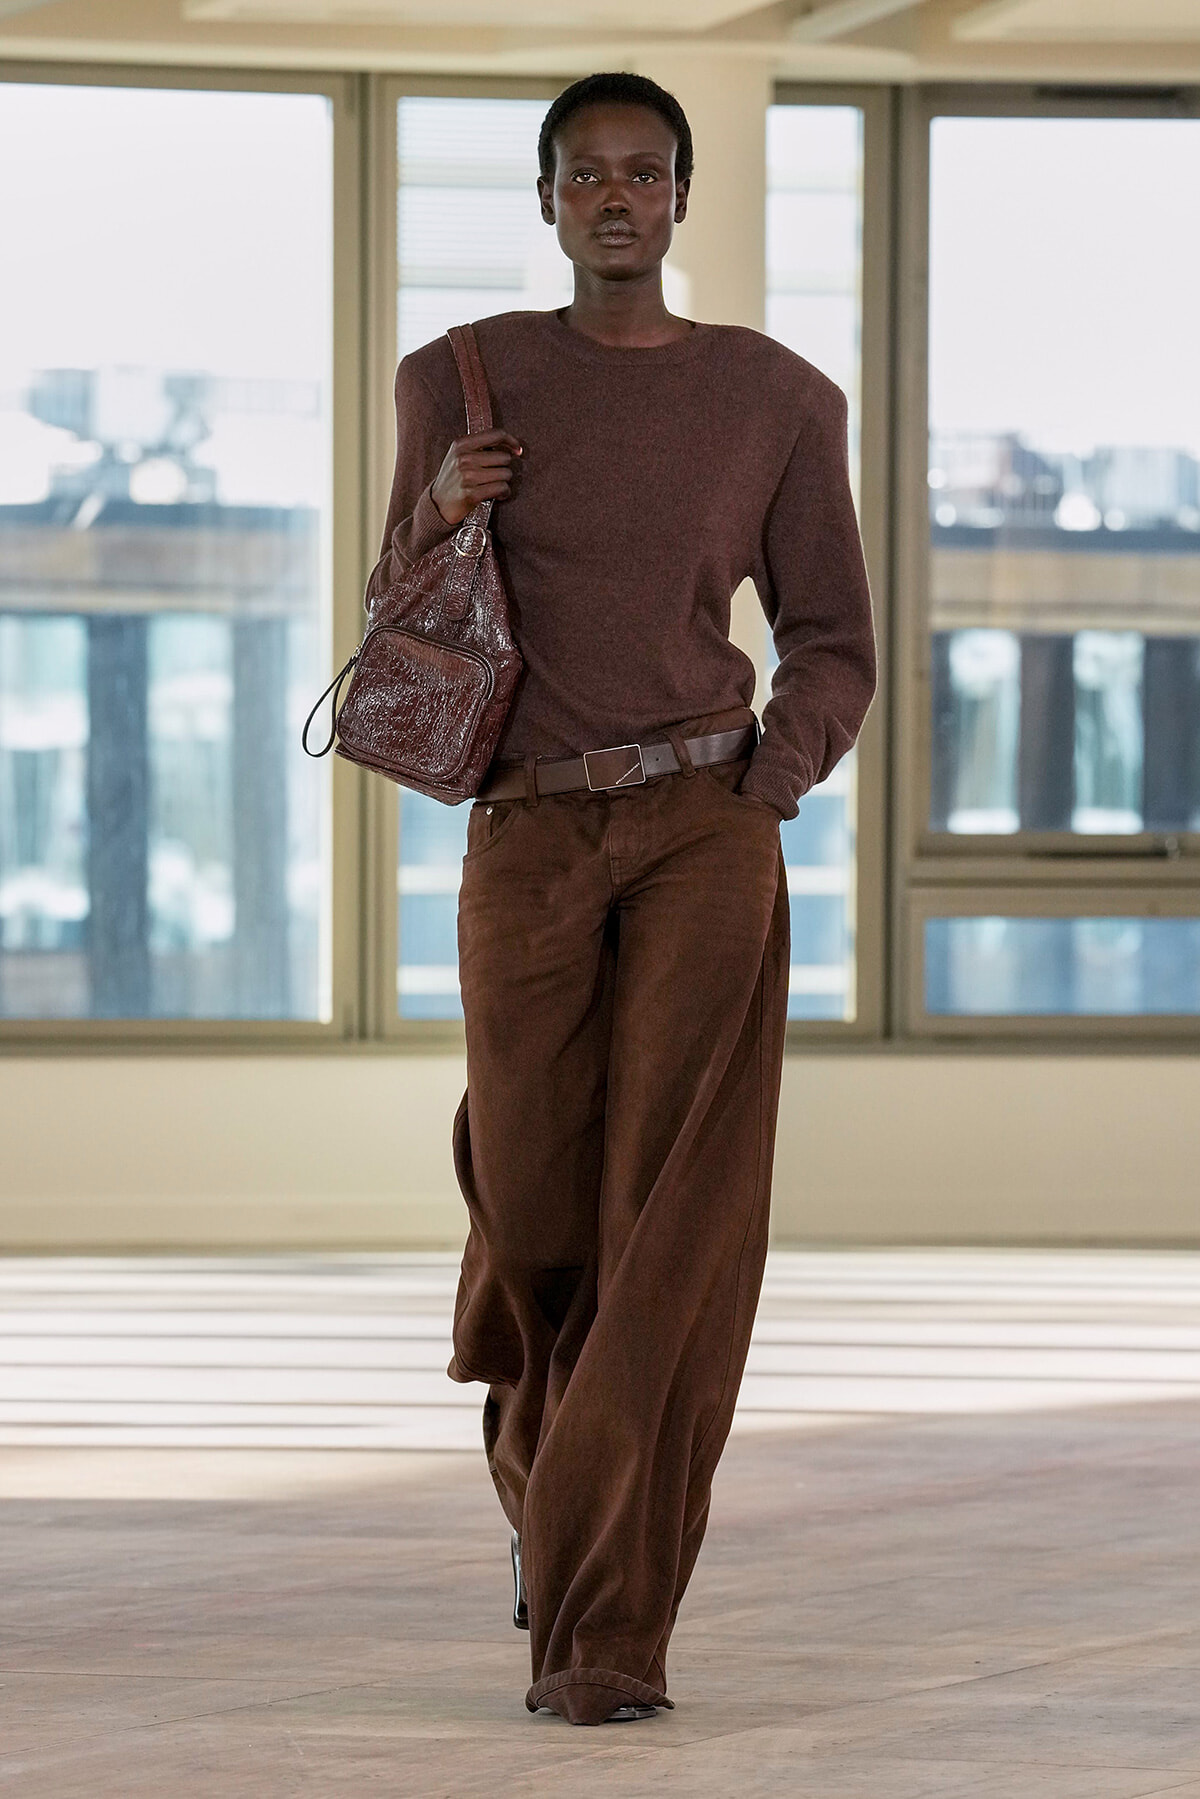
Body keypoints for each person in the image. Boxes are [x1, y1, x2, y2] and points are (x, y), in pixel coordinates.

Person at [366, 70, 876, 1727]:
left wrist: (769, 780)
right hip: (521, 842)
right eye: (584, 175)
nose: (615, 199)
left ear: (681, 197)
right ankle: (548, 1474)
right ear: (544, 200)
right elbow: (397, 622)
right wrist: (442, 515)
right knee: (533, 1209)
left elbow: (834, 639)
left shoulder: (779, 398)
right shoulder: (458, 379)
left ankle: (604, 1627)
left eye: (644, 174)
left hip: (702, 835)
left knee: (671, 1222)